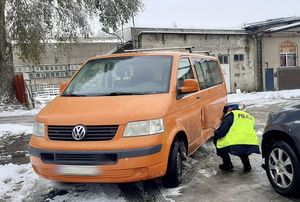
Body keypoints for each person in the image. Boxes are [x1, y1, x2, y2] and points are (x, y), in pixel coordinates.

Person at [213, 104, 260, 172]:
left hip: (237, 144)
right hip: (251, 144)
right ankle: (247, 165)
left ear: (229, 110)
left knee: (216, 139)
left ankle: (227, 164)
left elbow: (221, 133)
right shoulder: (249, 116)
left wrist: (215, 132)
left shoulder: (231, 115)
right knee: (242, 144)